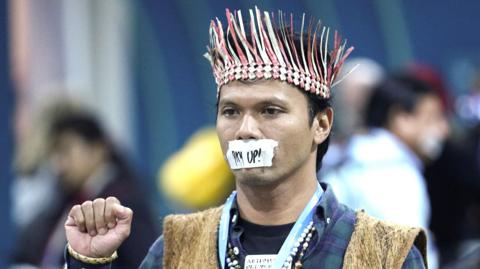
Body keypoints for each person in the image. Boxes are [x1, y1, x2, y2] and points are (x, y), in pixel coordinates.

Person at [64, 7, 427, 269]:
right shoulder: (175, 248)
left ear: (321, 124)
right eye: (231, 111)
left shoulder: (384, 253)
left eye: (270, 111)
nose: (246, 130)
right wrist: (88, 262)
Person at [323, 73, 450, 268]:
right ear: (401, 117)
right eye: (432, 118)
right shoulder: (393, 174)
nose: (443, 129)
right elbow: (403, 253)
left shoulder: (353, 159)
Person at [12, 108, 158, 268]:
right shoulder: (60, 205)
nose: (58, 164)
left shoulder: (126, 204)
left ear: (98, 149)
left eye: (65, 151)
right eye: (53, 154)